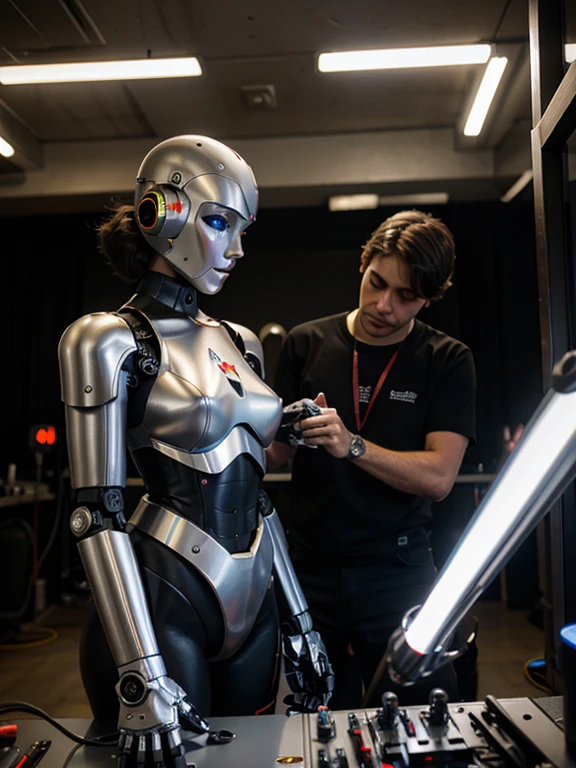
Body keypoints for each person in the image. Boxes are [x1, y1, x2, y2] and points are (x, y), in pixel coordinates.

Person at [58, 135, 332, 767]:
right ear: (165, 214)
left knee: (253, 758)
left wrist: (301, 621)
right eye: (217, 222)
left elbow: (256, 495)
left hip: (253, 587)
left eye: (242, 230)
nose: (235, 250)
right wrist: (140, 672)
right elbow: (94, 512)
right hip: (159, 599)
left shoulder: (240, 340)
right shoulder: (105, 340)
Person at [267, 210, 476, 709]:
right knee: (314, 721)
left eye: (406, 297)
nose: (384, 305)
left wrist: (351, 445)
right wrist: (265, 426)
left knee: (416, 717)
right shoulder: (305, 343)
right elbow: (273, 455)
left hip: (398, 571)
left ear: (431, 297)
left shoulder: (446, 360)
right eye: (376, 283)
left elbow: (439, 477)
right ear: (363, 263)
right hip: (310, 573)